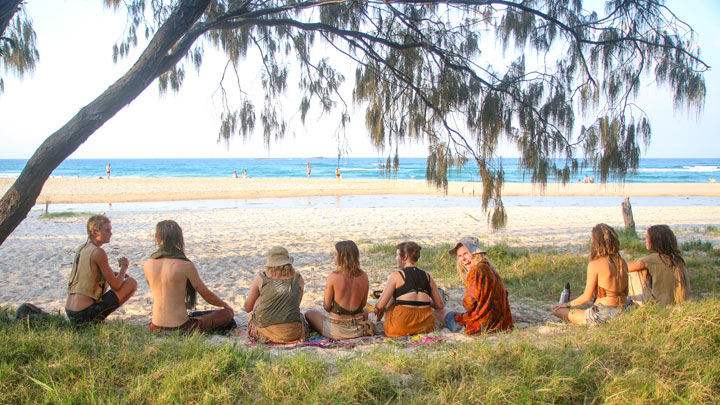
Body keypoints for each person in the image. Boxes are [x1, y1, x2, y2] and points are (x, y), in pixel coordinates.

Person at [143, 220, 235, 334]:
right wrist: (225, 305)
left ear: (157, 237)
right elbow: (206, 295)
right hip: (181, 327)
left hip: (155, 326)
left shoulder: (147, 264)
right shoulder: (186, 265)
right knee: (227, 314)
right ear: (179, 239)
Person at [552, 224, 629, 325]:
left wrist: (566, 304)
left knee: (556, 309)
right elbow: (626, 292)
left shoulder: (596, 264)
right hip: (623, 310)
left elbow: (586, 297)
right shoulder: (622, 262)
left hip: (602, 314)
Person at [65, 215, 137, 323]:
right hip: (84, 312)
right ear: (94, 232)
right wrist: (124, 266)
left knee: (109, 279)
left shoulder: (82, 248)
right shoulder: (98, 252)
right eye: (107, 230)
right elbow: (116, 286)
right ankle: (96, 320)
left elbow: (91, 272)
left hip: (70, 311)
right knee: (131, 283)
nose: (110, 234)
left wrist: (117, 274)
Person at [435, 236, 513, 334]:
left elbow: (469, 304)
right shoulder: (490, 269)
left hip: (479, 326)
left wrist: (464, 302)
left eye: (466, 254)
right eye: (459, 256)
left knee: (439, 311)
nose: (463, 259)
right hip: (500, 324)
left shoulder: (475, 271)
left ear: (475, 254)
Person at [305, 240, 375, 339]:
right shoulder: (364, 276)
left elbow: (327, 307)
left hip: (336, 331)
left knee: (310, 313)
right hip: (358, 330)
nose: (333, 256)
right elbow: (363, 305)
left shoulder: (333, 277)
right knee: (365, 311)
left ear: (344, 258)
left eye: (335, 254)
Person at [374, 241, 444, 337]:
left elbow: (380, 306)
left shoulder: (397, 276)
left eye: (397, 255)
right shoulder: (428, 277)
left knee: (393, 300)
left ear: (405, 257)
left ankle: (379, 321)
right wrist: (426, 301)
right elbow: (440, 305)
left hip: (401, 326)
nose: (396, 258)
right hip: (425, 326)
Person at [245, 246, 308, 343]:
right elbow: (296, 303)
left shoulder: (261, 278)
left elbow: (247, 308)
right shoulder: (298, 278)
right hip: (293, 333)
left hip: (266, 333)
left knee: (259, 298)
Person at [627, 225, 690, 306]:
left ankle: (641, 305)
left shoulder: (653, 259)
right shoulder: (677, 259)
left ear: (655, 241)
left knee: (634, 273)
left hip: (661, 305)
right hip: (680, 303)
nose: (645, 241)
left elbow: (625, 267)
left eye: (647, 238)